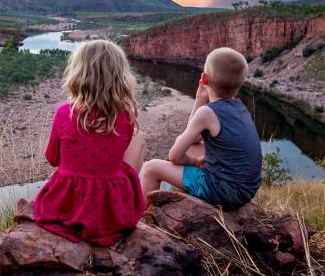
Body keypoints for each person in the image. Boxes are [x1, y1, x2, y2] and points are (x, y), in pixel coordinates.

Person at [34, 40, 146, 246]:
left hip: (68, 204)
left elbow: (52, 159)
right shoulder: (126, 117)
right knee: (138, 143)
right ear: (120, 77)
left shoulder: (63, 113)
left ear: (78, 75)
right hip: (111, 210)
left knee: (64, 172)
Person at [141, 47, 262, 210]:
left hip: (222, 193)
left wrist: (195, 162)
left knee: (151, 168)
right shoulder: (240, 108)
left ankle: (143, 217)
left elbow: (174, 156)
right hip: (246, 190)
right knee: (193, 146)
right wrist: (200, 99)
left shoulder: (208, 112)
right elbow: (195, 137)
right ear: (242, 82)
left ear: (204, 79)